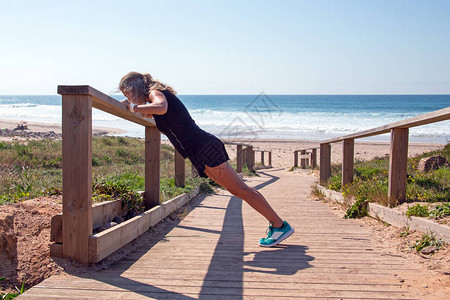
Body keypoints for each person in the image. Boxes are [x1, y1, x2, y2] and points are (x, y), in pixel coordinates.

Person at [119, 71, 294, 247]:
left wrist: (134, 108)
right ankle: (277, 224)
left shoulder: (155, 93)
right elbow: (154, 114)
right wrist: (133, 108)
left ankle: (279, 225)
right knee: (239, 190)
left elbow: (161, 107)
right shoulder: (153, 98)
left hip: (203, 147)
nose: (129, 99)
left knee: (242, 190)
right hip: (200, 149)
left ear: (135, 88)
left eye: (127, 94)